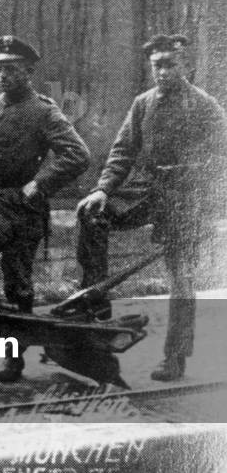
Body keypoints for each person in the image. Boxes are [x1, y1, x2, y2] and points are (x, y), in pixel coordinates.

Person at [76, 34, 227, 382]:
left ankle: (175, 357)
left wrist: (199, 189)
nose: (162, 71)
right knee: (92, 215)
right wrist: (102, 190)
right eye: (157, 65)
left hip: (187, 198)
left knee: (182, 278)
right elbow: (123, 151)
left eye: (169, 64)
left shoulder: (205, 106)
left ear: (185, 65)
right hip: (148, 190)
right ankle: (97, 321)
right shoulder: (143, 103)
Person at [0, 35, 89, 382]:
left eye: (12, 70)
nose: (3, 76)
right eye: (0, 69)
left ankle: (14, 360)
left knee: (18, 287)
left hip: (21, 212)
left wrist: (39, 184)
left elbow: (78, 154)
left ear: (28, 72)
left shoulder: (44, 111)